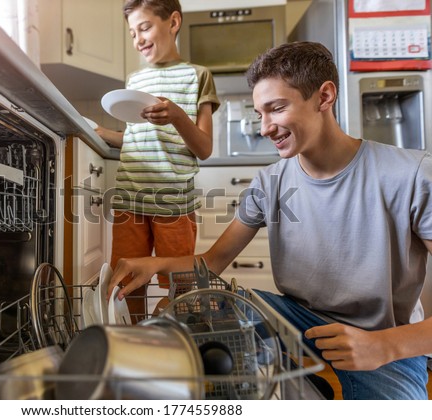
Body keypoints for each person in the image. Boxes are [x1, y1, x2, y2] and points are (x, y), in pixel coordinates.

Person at [106, 41, 432, 399]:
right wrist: (153, 265)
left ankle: (305, 382)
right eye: (259, 113)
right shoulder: (270, 182)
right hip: (297, 320)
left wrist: (384, 346)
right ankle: (301, 379)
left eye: (276, 109)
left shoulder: (411, 175)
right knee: (204, 302)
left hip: (382, 338)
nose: (264, 128)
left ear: (324, 97)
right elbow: (211, 263)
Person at [94, 0, 219, 321]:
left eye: (145, 27)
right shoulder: (134, 80)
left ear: (173, 22)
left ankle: (173, 344)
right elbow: (137, 139)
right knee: (125, 285)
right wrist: (99, 132)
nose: (138, 39)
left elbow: (204, 147)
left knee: (181, 287)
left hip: (174, 203)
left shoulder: (197, 76)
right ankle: (134, 346)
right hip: (129, 199)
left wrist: (177, 114)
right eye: (133, 32)